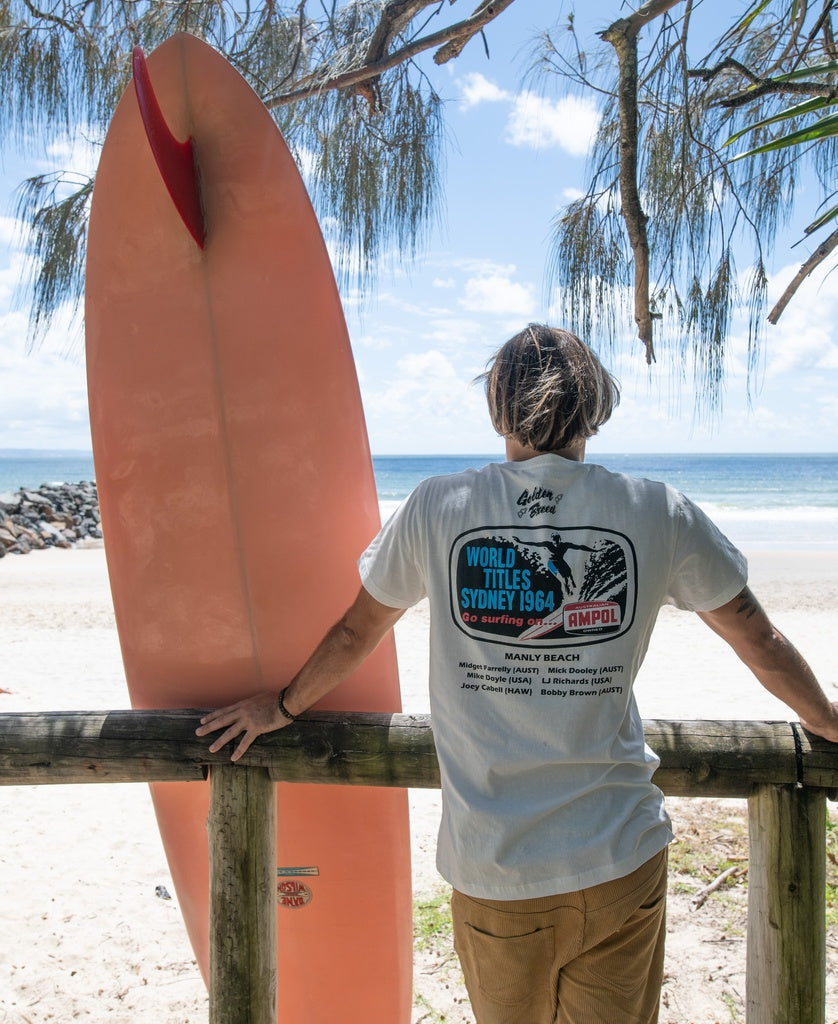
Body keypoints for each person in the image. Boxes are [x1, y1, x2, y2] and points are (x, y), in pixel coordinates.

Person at [197, 324, 838, 1024]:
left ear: (498, 411)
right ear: (594, 409)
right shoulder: (657, 510)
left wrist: (283, 707)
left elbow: (358, 631)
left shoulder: (440, 507)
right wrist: (829, 721)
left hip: (500, 868)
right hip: (622, 853)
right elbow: (759, 638)